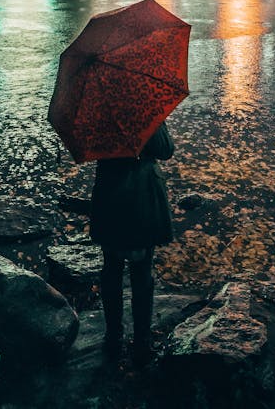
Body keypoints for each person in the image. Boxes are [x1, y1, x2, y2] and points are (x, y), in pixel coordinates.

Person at [89, 121, 174, 367]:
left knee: (111, 270)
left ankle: (114, 337)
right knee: (142, 274)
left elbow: (91, 148)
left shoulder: (98, 110)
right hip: (142, 197)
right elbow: (165, 149)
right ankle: (141, 342)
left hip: (109, 195)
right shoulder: (143, 106)